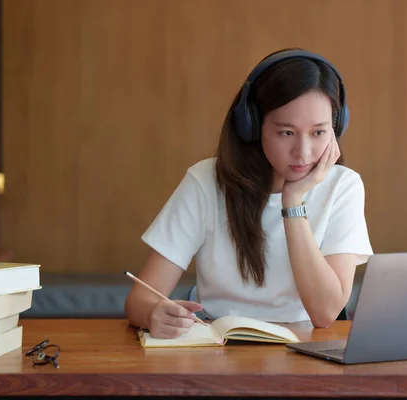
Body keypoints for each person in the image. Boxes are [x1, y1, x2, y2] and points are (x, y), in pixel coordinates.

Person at [124, 48, 374, 339]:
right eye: (286, 133)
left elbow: (324, 313)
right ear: (252, 127)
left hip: (306, 354)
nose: (303, 153)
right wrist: (155, 313)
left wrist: (292, 201)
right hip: (220, 349)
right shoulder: (206, 181)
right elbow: (138, 302)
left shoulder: (343, 186)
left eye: (318, 132)